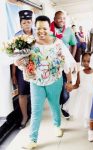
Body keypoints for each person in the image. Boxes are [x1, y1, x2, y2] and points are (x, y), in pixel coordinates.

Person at [15, 15, 75, 149]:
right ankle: (32, 139)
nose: (41, 31)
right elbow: (23, 62)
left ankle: (57, 126)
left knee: (54, 106)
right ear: (35, 28)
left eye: (45, 28)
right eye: (38, 28)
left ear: (50, 28)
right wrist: (18, 62)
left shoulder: (57, 43)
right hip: (36, 82)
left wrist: (70, 81)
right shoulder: (29, 43)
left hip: (55, 80)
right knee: (36, 111)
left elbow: (66, 62)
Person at [50, 11, 77, 119]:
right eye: (59, 18)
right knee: (56, 88)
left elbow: (74, 44)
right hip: (52, 64)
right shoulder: (48, 30)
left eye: (64, 18)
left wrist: (71, 58)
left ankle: (65, 106)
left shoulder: (69, 30)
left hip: (65, 64)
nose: (62, 20)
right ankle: (59, 105)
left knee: (66, 86)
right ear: (54, 18)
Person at [12, 10, 35, 129]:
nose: (26, 24)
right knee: (22, 93)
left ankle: (36, 115)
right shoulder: (17, 36)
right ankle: (25, 117)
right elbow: (14, 56)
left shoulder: (37, 34)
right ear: (20, 24)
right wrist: (14, 74)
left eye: (28, 22)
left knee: (37, 91)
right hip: (22, 68)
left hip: (37, 67)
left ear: (32, 22)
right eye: (24, 23)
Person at [66, 52, 93, 142]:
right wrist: (71, 87)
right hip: (83, 95)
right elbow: (77, 84)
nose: (86, 63)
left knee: (91, 115)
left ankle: (91, 132)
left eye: (89, 61)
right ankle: (86, 121)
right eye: (84, 61)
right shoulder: (80, 72)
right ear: (82, 61)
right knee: (85, 110)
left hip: (92, 95)